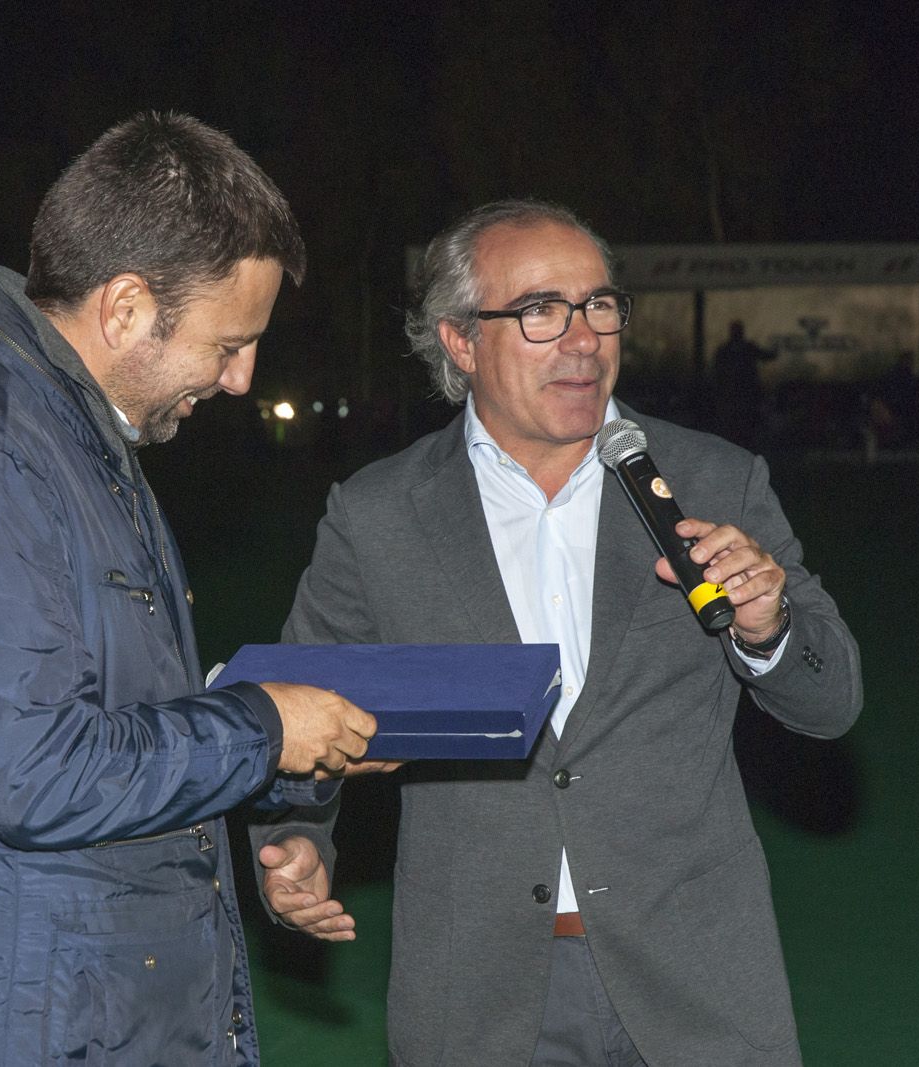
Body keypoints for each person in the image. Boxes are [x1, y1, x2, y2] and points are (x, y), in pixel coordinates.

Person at [0, 112, 388, 1066]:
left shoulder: (67, 436)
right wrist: (261, 728)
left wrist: (278, 760)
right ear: (124, 307)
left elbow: (107, 715)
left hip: (61, 1005)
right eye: (228, 340)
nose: (241, 378)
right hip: (0, 1023)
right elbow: (35, 773)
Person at [254, 200, 862, 1066]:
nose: (584, 339)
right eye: (541, 310)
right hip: (480, 994)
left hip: (696, 988)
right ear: (460, 341)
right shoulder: (379, 515)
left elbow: (831, 699)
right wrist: (296, 847)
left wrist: (769, 625)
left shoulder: (709, 478)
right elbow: (298, 710)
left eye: (600, 306)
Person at [712, 318, 778, 449]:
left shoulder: (743, 348)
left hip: (745, 394)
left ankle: (743, 444)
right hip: (734, 395)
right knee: (736, 423)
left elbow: (766, 356)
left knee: (745, 423)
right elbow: (718, 370)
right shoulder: (728, 350)